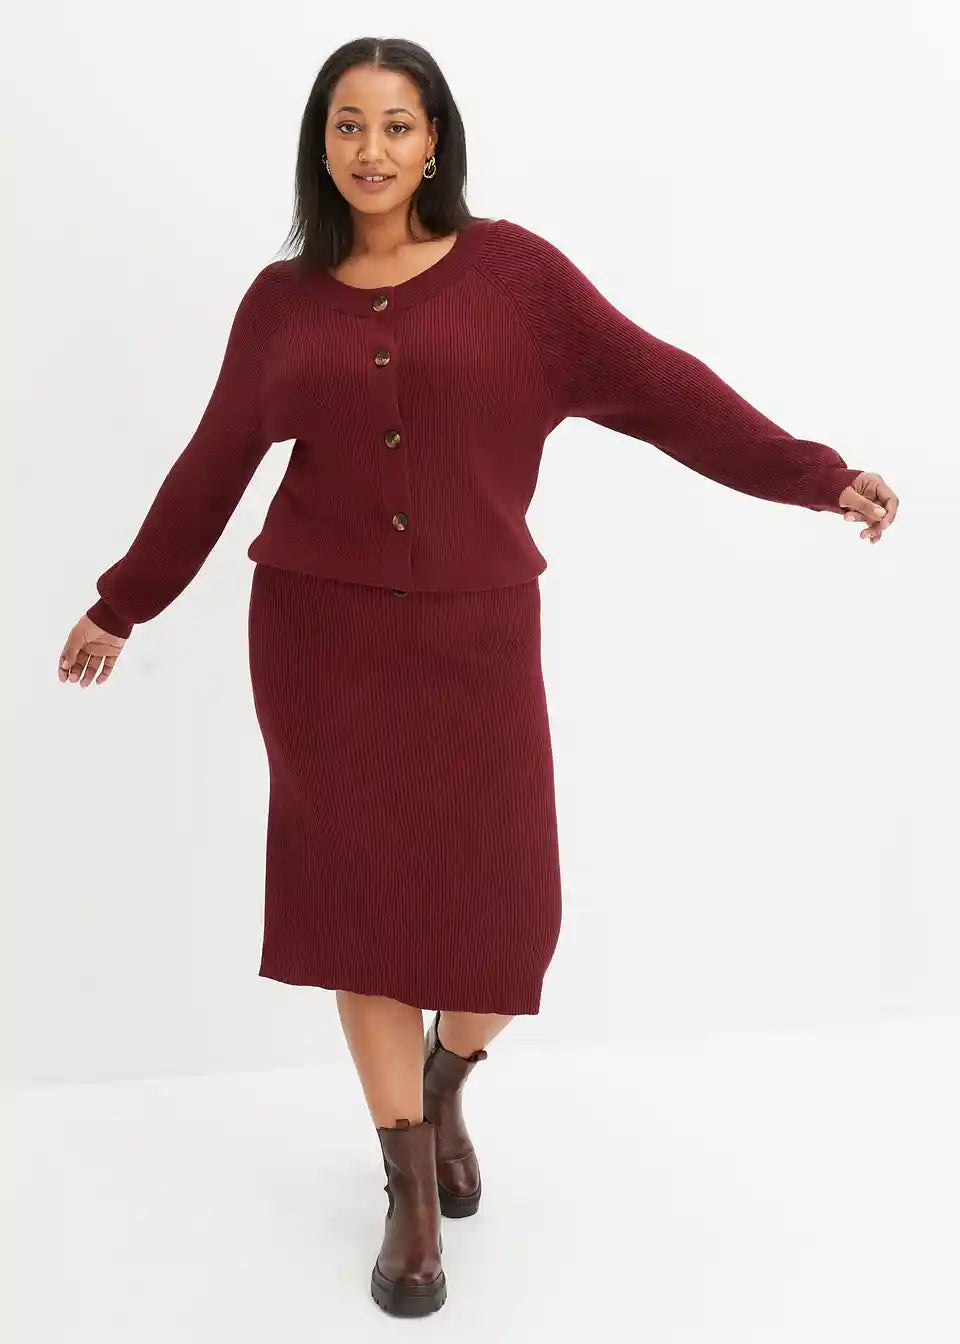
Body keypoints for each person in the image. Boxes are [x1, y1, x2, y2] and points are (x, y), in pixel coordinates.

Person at [57, 36, 899, 1319]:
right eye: (348, 125)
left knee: (511, 924)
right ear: (320, 143)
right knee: (360, 914)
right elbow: (215, 459)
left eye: (396, 126)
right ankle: (408, 1193)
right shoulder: (282, 301)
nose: (371, 150)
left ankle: (447, 1079)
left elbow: (661, 387)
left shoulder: (517, 279)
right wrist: (125, 601)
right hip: (322, 645)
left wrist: (814, 475)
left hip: (477, 643)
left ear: (435, 140)